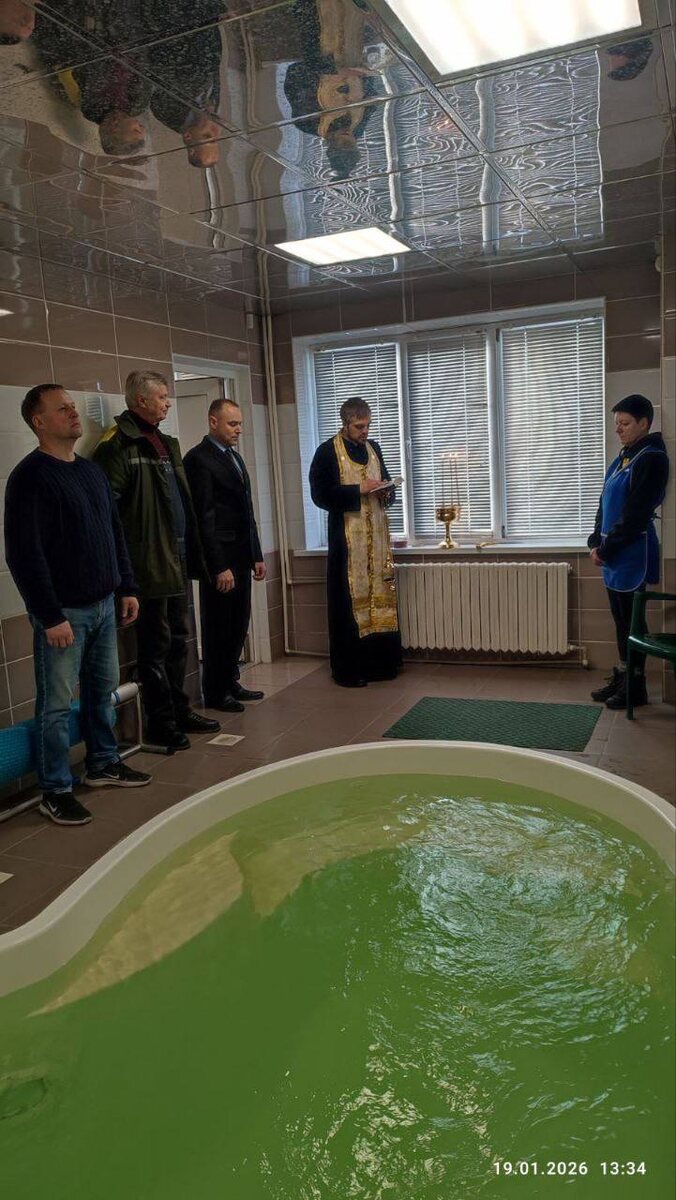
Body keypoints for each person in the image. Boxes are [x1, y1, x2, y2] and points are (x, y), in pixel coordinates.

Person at [4, 385, 152, 826]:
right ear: (39, 421)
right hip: (64, 613)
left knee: (101, 692)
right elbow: (24, 554)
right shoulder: (30, 477)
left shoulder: (90, 472)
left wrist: (126, 586)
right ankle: (55, 788)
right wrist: (49, 615)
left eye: (73, 407)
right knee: (55, 706)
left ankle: (102, 763)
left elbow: (113, 533)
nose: (73, 413)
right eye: (62, 409)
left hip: (104, 603)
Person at [93, 371, 220, 749]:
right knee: (155, 647)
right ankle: (160, 721)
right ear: (140, 401)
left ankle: (180, 710)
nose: (167, 403)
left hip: (176, 559)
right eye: (162, 397)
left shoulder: (166, 442)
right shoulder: (117, 445)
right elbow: (109, 513)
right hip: (147, 564)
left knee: (179, 640)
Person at [309, 397, 402, 687]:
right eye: (359, 426)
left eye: (368, 425)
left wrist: (386, 492)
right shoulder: (327, 452)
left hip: (377, 542)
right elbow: (320, 495)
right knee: (348, 605)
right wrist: (358, 489)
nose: (365, 432)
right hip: (347, 544)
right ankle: (349, 670)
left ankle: (382, 666)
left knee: (380, 598)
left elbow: (386, 484)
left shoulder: (374, 448)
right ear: (345, 423)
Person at [184, 398, 267, 713]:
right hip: (221, 561)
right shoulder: (198, 459)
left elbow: (247, 512)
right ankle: (216, 691)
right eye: (232, 424)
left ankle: (231, 681)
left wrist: (256, 554)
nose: (239, 430)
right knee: (218, 626)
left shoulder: (234, 458)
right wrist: (218, 566)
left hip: (241, 556)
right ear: (213, 422)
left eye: (240, 423)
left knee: (238, 623)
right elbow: (203, 519)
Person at [588, 394, 670, 710]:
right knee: (620, 620)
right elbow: (605, 500)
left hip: (631, 551)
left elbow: (635, 514)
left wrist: (607, 548)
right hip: (613, 553)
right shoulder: (625, 456)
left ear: (644, 423)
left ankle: (636, 686)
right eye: (616, 424)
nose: (618, 430)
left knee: (632, 622)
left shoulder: (652, 458)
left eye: (624, 423)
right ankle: (623, 675)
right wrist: (595, 541)